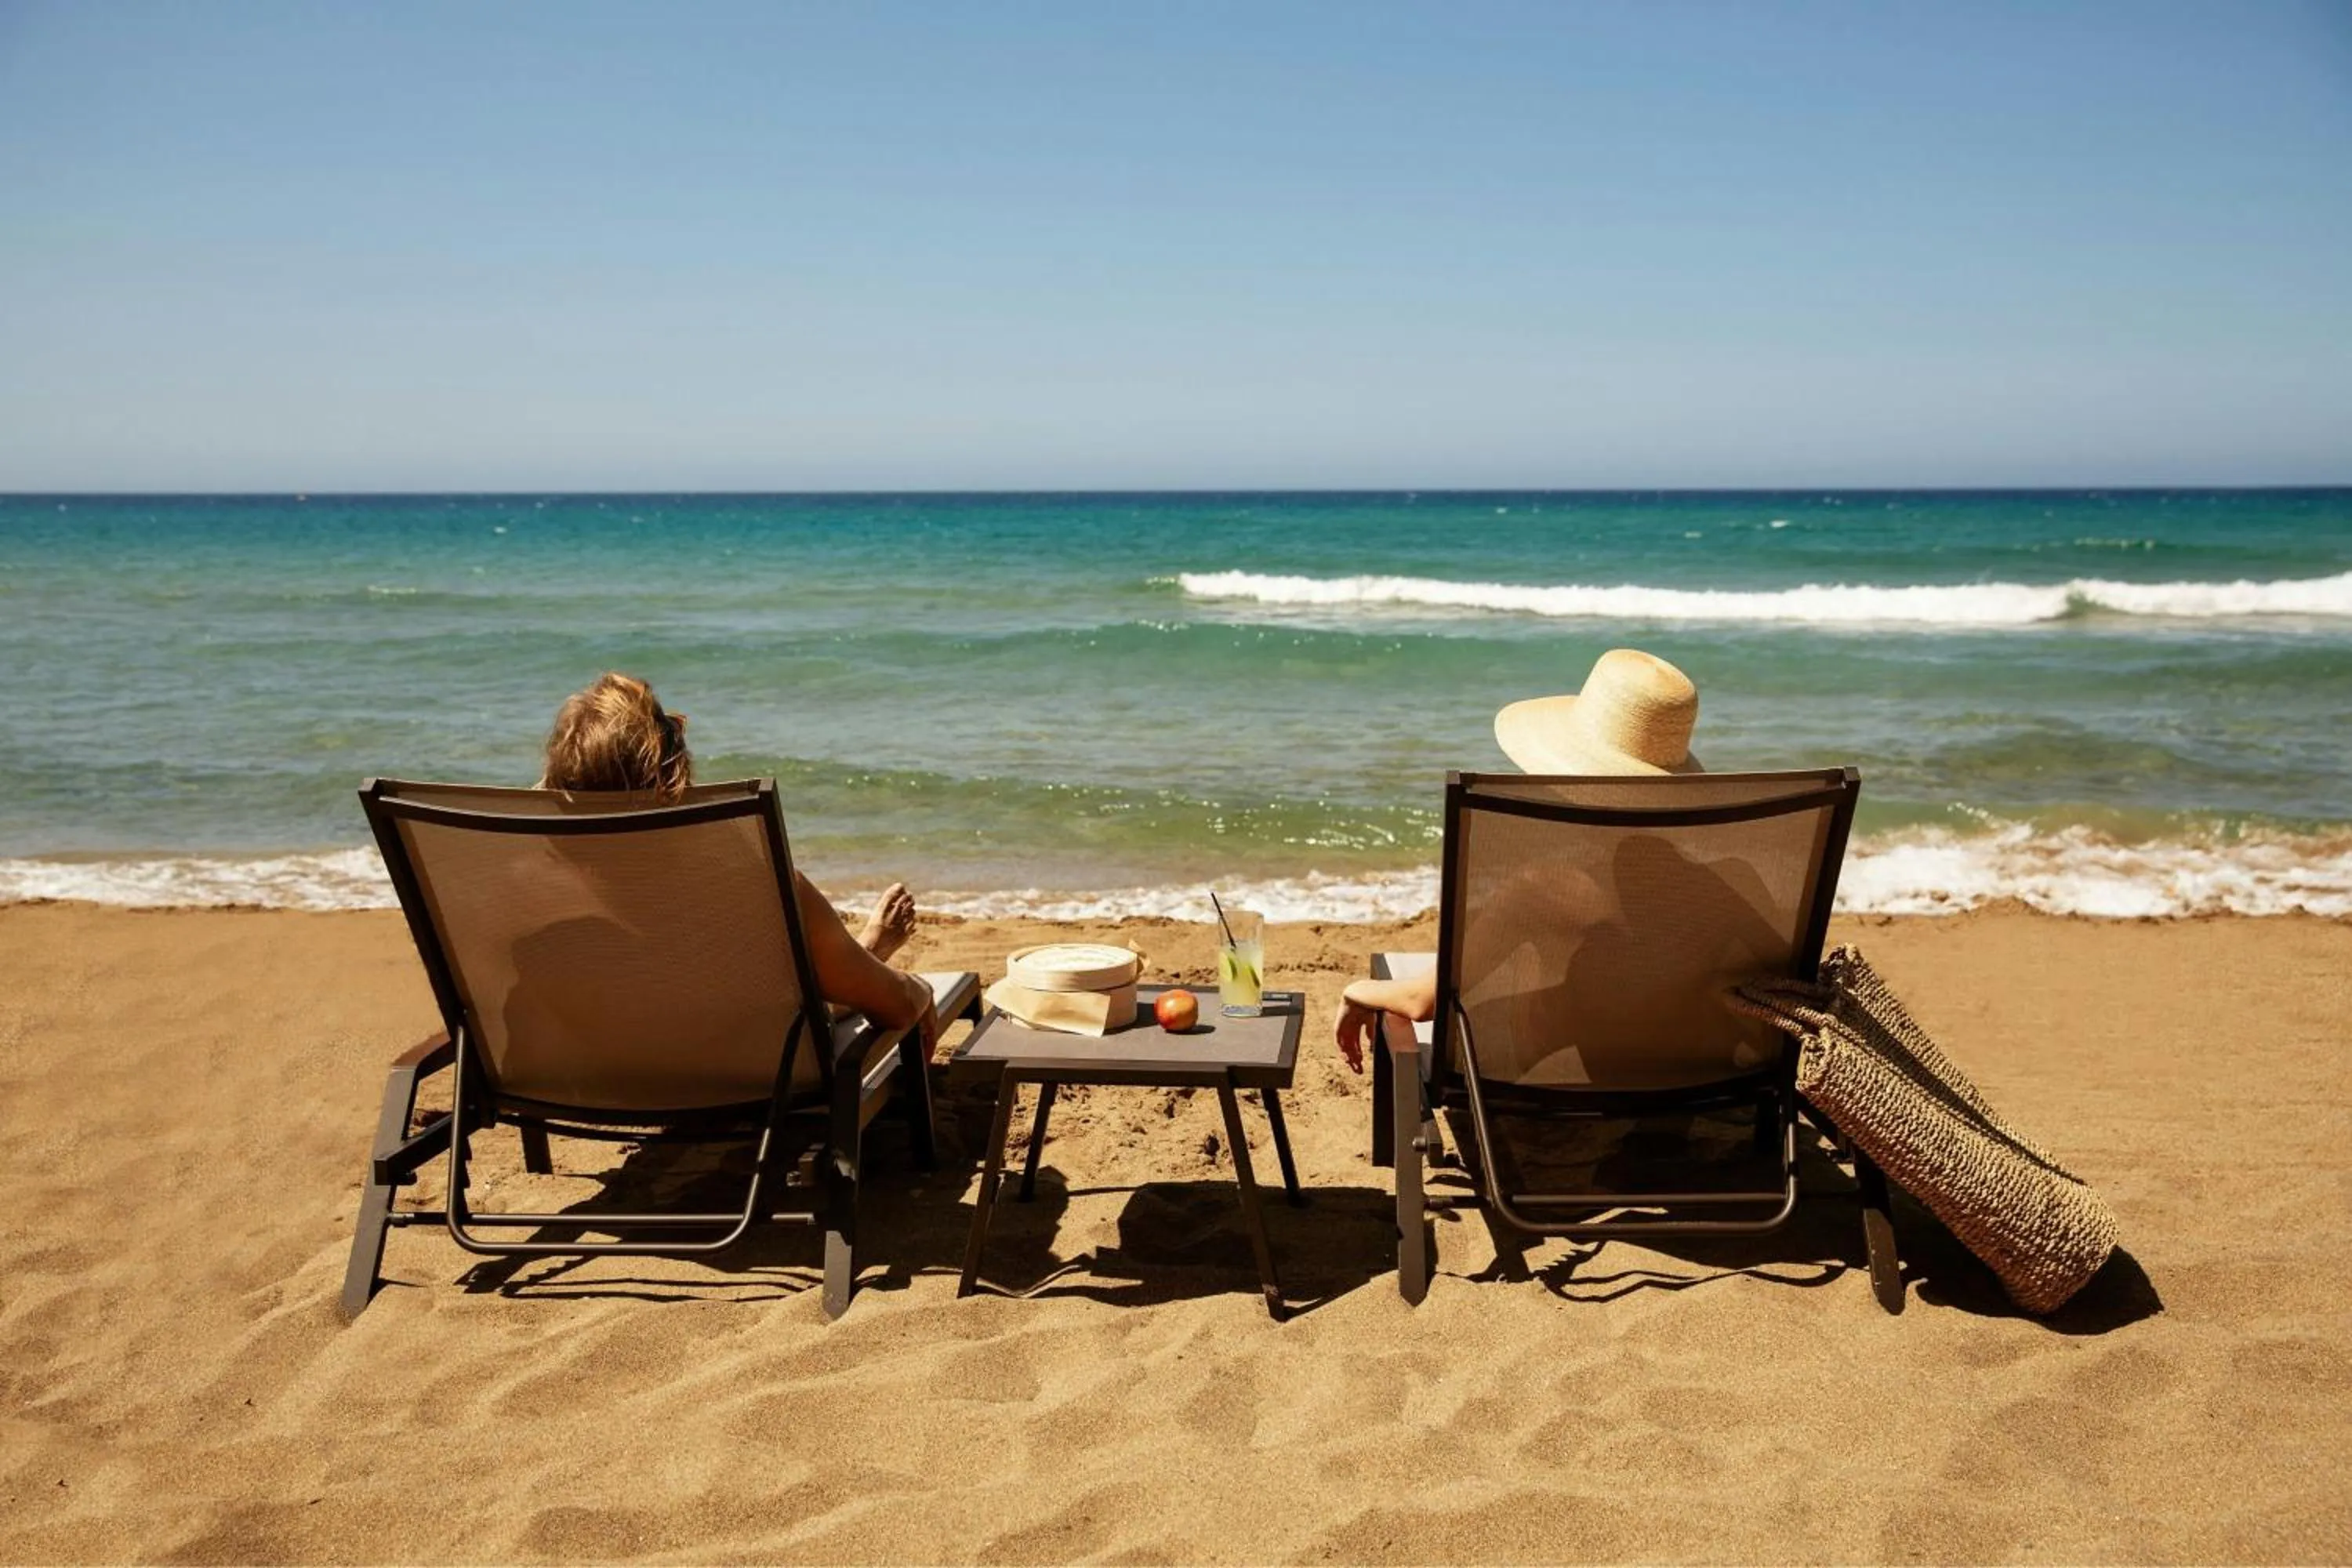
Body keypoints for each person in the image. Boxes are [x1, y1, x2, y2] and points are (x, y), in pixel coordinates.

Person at [1332, 648, 1706, 1073]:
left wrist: (1357, 989)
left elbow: (1421, 1002)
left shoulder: (1546, 891)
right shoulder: (1719, 885)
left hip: (1563, 1094)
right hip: (1690, 1086)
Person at [538, 671, 936, 1040]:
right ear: (671, 775)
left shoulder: (521, 895)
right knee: (900, 994)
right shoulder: (758, 887)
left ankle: (861, 957)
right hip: (743, 1080)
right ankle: (862, 959)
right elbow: (897, 1007)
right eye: (674, 729)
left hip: (598, 1078)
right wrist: (921, 990)